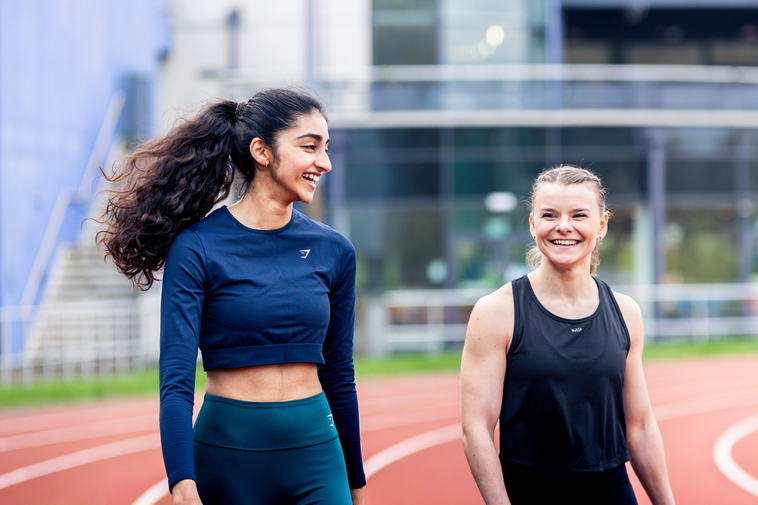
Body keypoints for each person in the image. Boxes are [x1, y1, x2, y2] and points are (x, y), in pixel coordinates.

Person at [99, 88, 365, 505]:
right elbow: (176, 380)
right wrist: (181, 481)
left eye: (326, 148)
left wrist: (357, 482)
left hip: (317, 454)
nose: (325, 162)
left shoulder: (336, 251)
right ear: (262, 151)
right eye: (310, 147)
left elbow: (340, 377)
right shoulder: (198, 247)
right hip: (227, 459)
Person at [461, 165, 675, 505]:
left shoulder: (626, 313)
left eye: (579, 215)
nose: (564, 226)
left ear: (601, 225)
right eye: (549, 215)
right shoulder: (495, 313)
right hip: (530, 490)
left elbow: (640, 425)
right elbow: (476, 430)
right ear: (533, 224)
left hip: (611, 490)